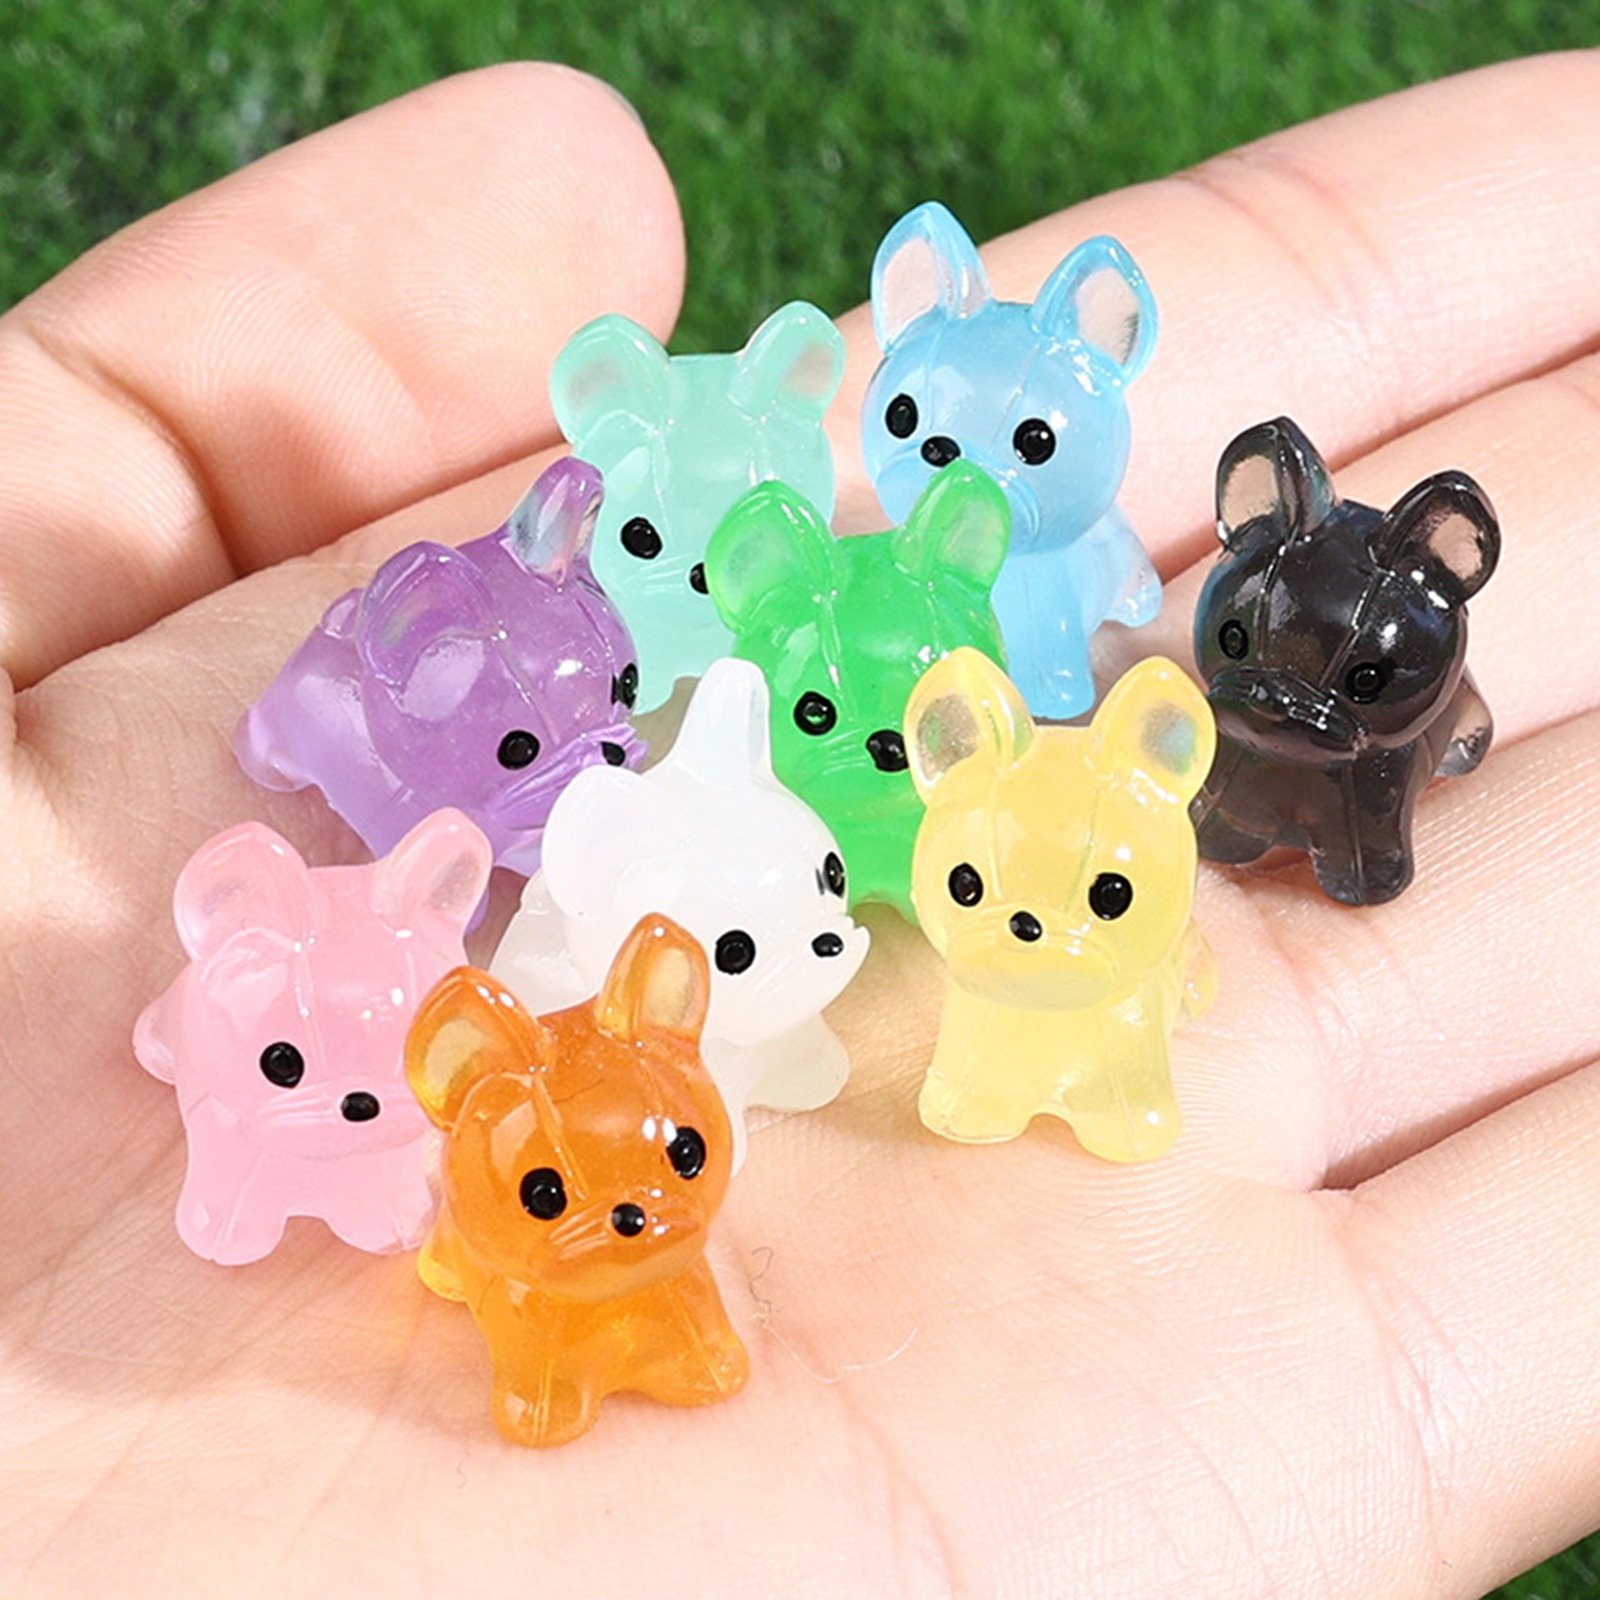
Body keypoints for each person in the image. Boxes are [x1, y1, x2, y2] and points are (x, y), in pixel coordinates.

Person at [1, 52, 1597, 1600]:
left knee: (1088, 1000)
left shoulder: (996, 714)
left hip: (959, 856)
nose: (625, 1205)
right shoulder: (543, 813)